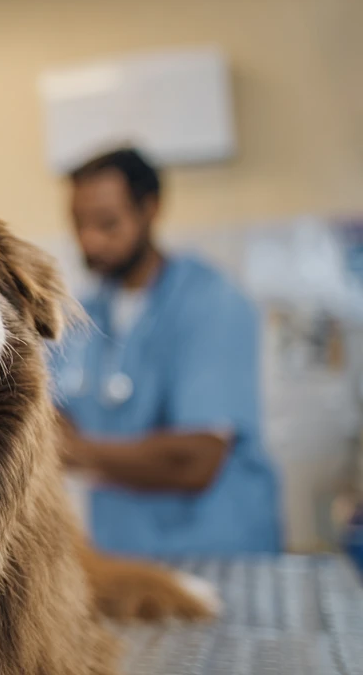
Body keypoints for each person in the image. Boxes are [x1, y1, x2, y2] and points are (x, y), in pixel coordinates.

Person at [51, 147, 281, 556]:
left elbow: (194, 461)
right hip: (123, 555)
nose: (90, 239)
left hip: (218, 552)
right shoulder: (84, 315)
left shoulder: (212, 303)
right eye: (79, 223)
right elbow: (43, 415)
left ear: (150, 209)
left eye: (107, 223)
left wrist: (78, 451)